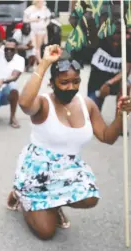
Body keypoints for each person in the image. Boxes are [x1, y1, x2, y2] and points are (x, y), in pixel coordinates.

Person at [7, 45, 131, 240]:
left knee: (90, 197)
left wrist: (120, 114)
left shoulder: (86, 104)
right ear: (52, 83)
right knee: (46, 232)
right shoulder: (43, 103)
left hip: (68, 169)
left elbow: (108, 137)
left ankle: (53, 203)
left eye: (75, 82)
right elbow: (24, 103)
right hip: (38, 170)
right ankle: (21, 195)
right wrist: (44, 63)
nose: (70, 87)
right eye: (64, 82)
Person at [87, 21, 131, 111]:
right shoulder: (100, 41)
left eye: (127, 33)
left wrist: (109, 83)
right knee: (92, 109)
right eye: (118, 33)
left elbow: (125, 71)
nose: (125, 36)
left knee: (126, 85)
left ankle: (120, 117)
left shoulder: (128, 46)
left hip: (114, 82)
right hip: (97, 82)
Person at [23, 0, 51, 64]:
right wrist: (33, 19)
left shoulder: (44, 9)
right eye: (40, 2)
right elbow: (24, 20)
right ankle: (39, 61)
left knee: (38, 47)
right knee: (34, 46)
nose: (41, 3)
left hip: (41, 30)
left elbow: (48, 19)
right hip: (32, 30)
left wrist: (45, 25)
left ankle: (36, 62)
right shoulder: (30, 9)